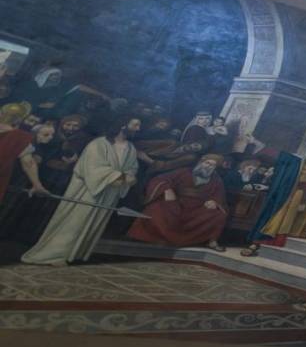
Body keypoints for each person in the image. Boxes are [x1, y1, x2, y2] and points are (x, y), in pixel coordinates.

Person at [22, 113, 141, 266]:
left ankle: (74, 254)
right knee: (74, 222)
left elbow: (132, 168)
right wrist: (122, 177)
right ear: (123, 125)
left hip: (109, 193)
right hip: (89, 191)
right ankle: (54, 254)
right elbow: (93, 169)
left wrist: (130, 176)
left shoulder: (130, 147)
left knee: (91, 225)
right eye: (135, 124)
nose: (138, 128)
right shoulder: (99, 144)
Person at [127, 153, 229, 250]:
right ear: (201, 162)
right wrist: (167, 189)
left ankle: (209, 241)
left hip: (197, 210)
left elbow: (219, 197)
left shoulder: (216, 180)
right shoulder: (184, 172)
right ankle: (151, 238)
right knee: (156, 209)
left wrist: (214, 202)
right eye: (207, 163)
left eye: (212, 165)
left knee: (218, 215)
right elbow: (160, 179)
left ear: (215, 168)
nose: (208, 166)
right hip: (176, 204)